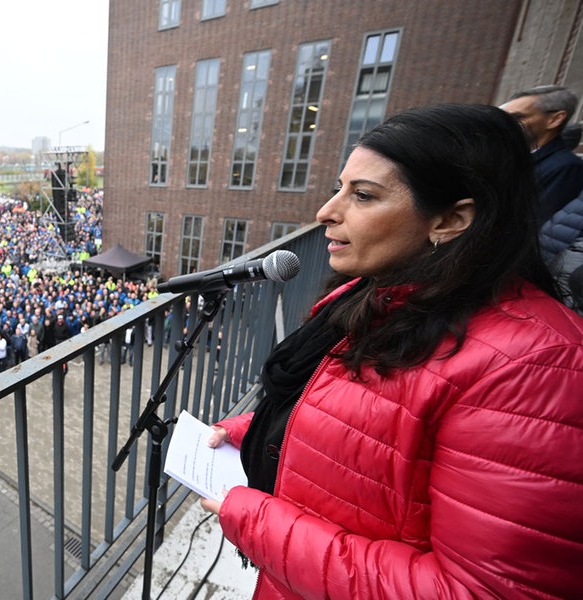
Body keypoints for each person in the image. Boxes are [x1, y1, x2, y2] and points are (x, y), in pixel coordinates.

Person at [199, 104, 583, 599]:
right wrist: (258, 433)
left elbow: (477, 590)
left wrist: (258, 520)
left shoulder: (534, 368)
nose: (326, 211)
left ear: (451, 219)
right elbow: (378, 438)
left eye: (362, 195)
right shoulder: (377, 295)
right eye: (339, 187)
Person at [500, 85, 583, 223]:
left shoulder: (567, 168)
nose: (506, 124)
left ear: (555, 119)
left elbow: (533, 223)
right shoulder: (509, 158)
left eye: (517, 117)